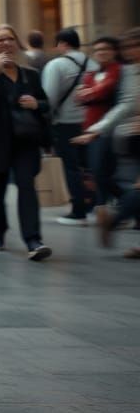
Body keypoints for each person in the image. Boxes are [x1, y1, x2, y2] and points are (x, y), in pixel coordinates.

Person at [0, 24, 52, 261]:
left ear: (17, 43)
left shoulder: (30, 74)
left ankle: (33, 239)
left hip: (25, 141)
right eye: (0, 40)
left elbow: (46, 104)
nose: (6, 43)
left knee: (27, 186)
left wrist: (37, 104)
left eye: (10, 39)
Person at [76, 29, 140, 257]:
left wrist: (96, 129)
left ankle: (114, 218)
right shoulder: (130, 71)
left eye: (135, 46)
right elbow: (126, 103)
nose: (131, 51)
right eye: (128, 47)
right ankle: (115, 218)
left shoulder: (123, 71)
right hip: (128, 135)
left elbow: (122, 102)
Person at [42, 28, 98, 225]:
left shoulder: (56, 65)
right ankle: (97, 205)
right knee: (91, 165)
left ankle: (78, 210)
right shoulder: (94, 63)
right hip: (92, 122)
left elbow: (49, 98)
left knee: (72, 167)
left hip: (66, 123)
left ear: (62, 44)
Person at [75, 36, 123, 208]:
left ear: (114, 51)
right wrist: (89, 93)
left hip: (109, 128)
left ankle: (122, 204)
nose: (101, 52)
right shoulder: (92, 74)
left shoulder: (118, 70)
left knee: (100, 172)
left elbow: (104, 91)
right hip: (90, 129)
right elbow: (79, 98)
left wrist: (89, 93)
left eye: (106, 49)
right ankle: (123, 205)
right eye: (97, 50)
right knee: (98, 172)